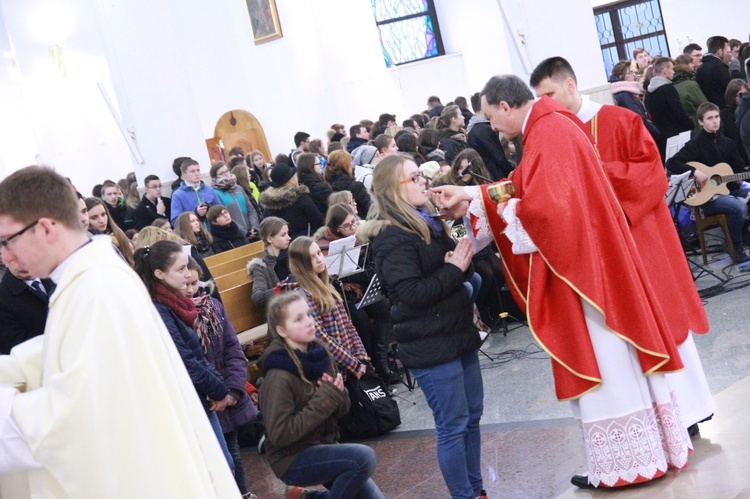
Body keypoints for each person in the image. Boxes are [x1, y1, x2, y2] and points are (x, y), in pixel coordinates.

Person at [431, 75, 691, 489]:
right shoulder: (547, 126)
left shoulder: (548, 131)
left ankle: (630, 461)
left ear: (506, 106)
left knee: (606, 356)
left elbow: (548, 209)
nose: (493, 129)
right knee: (613, 356)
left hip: (586, 273)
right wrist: (475, 197)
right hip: (594, 261)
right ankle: (644, 452)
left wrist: (481, 201)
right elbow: (527, 187)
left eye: (492, 119)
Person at [0, 166, 238, 497]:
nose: (5, 255)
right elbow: (80, 356)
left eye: (7, 240)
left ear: (44, 229)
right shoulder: (90, 277)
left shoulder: (95, 290)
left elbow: (75, 423)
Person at [530, 56, 714, 435]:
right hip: (599, 255)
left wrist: (595, 176)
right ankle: (655, 421)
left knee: (663, 316)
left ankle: (690, 410)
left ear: (569, 84)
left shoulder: (620, 121)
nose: (545, 104)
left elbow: (651, 176)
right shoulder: (553, 136)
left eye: (548, 94)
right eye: (539, 99)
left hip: (640, 239)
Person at [363, 154, 484, 499]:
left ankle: (477, 489)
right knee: (452, 426)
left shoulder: (427, 221)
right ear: (394, 190)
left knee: (472, 417)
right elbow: (411, 293)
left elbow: (459, 261)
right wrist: (452, 271)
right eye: (415, 178)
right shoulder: (391, 237)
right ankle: (465, 496)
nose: (424, 183)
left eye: (421, 176)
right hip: (429, 344)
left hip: (456, 333)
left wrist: (456, 243)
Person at [258, 292, 385, 498]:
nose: (309, 322)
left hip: (323, 444)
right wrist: (327, 397)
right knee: (364, 458)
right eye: (298, 319)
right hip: (292, 458)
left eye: (308, 315)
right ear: (281, 330)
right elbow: (280, 435)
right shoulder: (278, 376)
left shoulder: (320, 354)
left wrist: (338, 394)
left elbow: (342, 409)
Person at [133, 240, 235, 471]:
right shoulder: (159, 309)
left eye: (187, 267)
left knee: (224, 464)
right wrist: (219, 390)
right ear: (159, 274)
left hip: (199, 395)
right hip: (186, 400)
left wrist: (219, 387)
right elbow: (185, 360)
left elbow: (196, 353)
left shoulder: (174, 303)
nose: (188, 274)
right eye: (180, 269)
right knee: (218, 468)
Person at [184, 258, 259, 499]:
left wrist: (235, 390)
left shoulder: (213, 306)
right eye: (185, 284)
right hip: (203, 397)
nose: (190, 289)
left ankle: (243, 493)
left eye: (194, 283)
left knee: (233, 450)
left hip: (225, 391)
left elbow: (232, 349)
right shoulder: (175, 317)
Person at [315, 203, 395, 383]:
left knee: (383, 306)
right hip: (343, 297)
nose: (353, 228)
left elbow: (373, 271)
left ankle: (381, 359)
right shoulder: (323, 246)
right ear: (335, 229)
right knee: (360, 320)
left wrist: (351, 276)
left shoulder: (364, 238)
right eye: (347, 226)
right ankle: (368, 366)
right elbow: (330, 281)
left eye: (354, 222)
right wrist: (349, 277)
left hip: (363, 291)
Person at [666, 101, 750, 262]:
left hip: (728, 190)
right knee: (738, 206)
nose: (715, 121)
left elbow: (739, 170)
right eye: (710, 118)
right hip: (706, 197)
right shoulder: (695, 144)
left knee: (744, 198)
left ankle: (744, 234)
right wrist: (695, 172)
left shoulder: (728, 143)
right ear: (700, 122)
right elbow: (672, 163)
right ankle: (735, 245)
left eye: (717, 117)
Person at [278, 237, 370, 380]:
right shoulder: (302, 295)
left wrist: (362, 357)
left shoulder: (327, 285)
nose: (319, 259)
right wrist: (354, 364)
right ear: (301, 264)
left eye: (319, 253)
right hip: (334, 372)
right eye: (311, 257)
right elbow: (321, 338)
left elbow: (348, 325)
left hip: (350, 364)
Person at [644, 57, 694, 161]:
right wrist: (690, 124)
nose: (673, 71)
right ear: (665, 70)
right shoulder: (667, 89)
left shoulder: (648, 93)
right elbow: (678, 112)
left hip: (662, 137)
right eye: (671, 68)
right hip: (677, 134)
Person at [259, 163, 325, 239]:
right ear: (291, 180)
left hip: (282, 246)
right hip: (306, 243)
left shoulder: (269, 204)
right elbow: (319, 223)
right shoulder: (301, 199)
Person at [247, 216, 291, 309]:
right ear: (270, 239)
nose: (289, 238)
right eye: (283, 235)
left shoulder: (293, 257)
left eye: (288, 234)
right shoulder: (260, 267)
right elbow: (258, 297)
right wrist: (284, 287)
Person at [210, 161, 260, 240]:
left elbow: (251, 210)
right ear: (215, 177)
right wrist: (244, 232)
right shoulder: (216, 193)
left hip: (252, 233)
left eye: (227, 171)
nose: (226, 174)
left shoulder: (238, 188)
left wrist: (254, 228)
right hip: (235, 235)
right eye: (222, 173)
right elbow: (225, 217)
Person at [170, 159, 222, 228]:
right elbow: (175, 221)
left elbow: (220, 210)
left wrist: (211, 211)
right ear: (184, 174)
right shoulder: (178, 194)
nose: (196, 174)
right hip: (194, 235)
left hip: (214, 232)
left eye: (198, 170)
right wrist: (195, 213)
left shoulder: (209, 189)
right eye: (192, 171)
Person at [84, 197, 134, 265]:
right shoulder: (90, 244)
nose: (101, 220)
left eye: (103, 214)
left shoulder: (118, 234)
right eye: (94, 217)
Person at [324, 150, 372, 220]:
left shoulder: (325, 186)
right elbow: (368, 209)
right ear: (346, 166)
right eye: (350, 162)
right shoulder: (356, 186)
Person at [696, 36, 734, 108]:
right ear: (719, 52)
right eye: (725, 49)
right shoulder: (718, 67)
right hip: (723, 108)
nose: (726, 53)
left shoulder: (700, 68)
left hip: (710, 109)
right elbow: (731, 88)